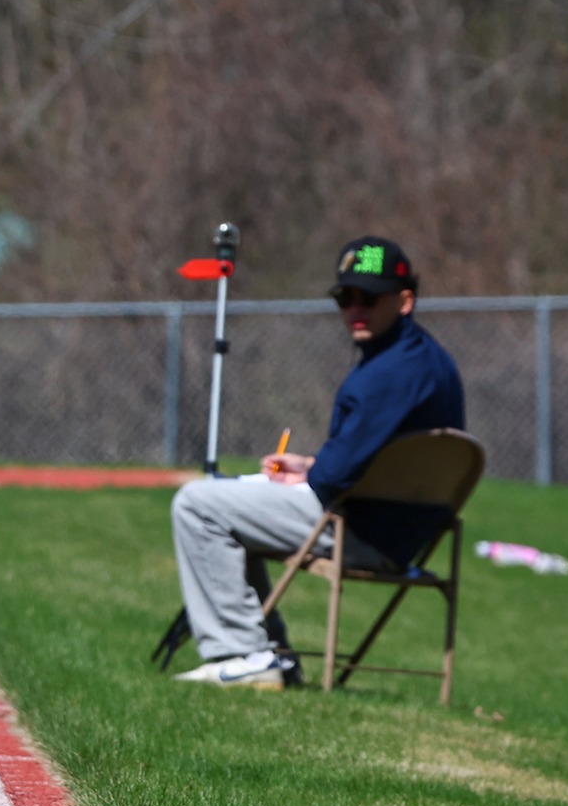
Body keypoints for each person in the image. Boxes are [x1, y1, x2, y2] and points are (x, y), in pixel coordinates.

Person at [168, 236, 465, 689]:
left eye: (369, 296)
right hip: (407, 533)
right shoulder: (428, 361)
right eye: (346, 297)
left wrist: (314, 474)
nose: (355, 307)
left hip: (361, 530)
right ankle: (271, 655)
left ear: (404, 301)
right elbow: (368, 461)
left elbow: (334, 478)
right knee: (228, 501)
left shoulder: (389, 371)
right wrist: (309, 467)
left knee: (198, 503)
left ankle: (244, 654)